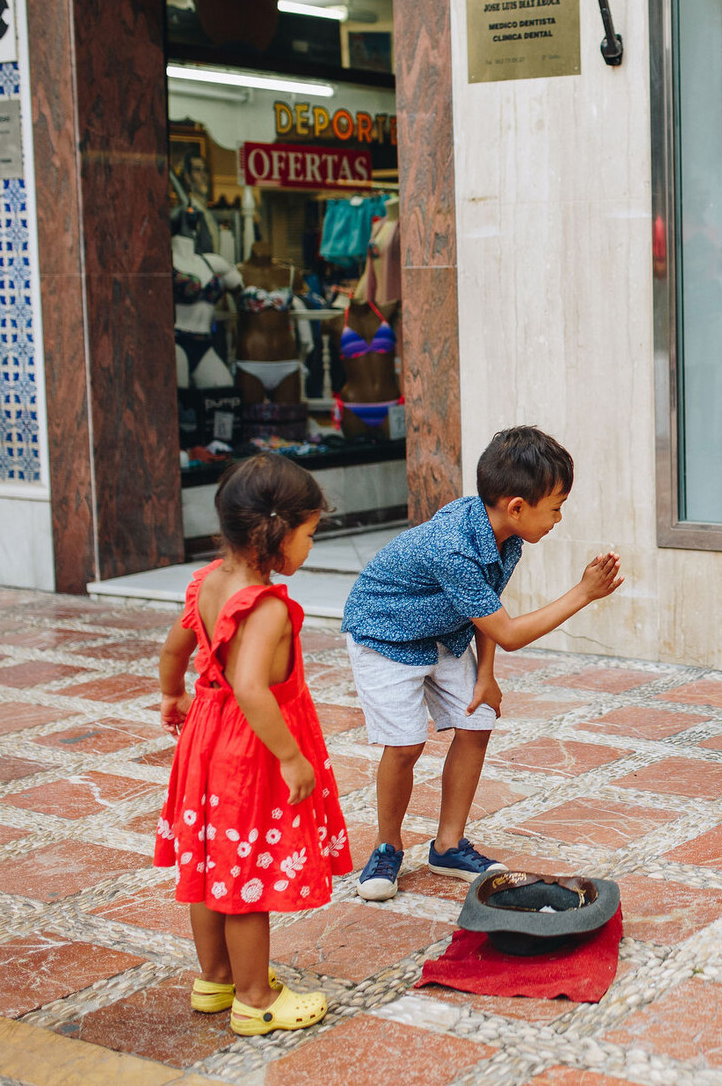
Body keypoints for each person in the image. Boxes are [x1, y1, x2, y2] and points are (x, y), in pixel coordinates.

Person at [342, 426, 625, 901]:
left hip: (443, 631)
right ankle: (387, 847)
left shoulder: (505, 539)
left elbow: (490, 610)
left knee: (477, 720)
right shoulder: (453, 546)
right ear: (517, 506)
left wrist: (486, 676)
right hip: (385, 634)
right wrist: (583, 593)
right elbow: (510, 633)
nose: (558, 518)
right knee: (406, 744)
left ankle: (448, 845)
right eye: (555, 507)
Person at [153, 454, 351, 1037]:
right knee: (246, 876)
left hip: (206, 739)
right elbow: (250, 687)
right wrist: (292, 756)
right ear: (275, 534)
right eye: (310, 534)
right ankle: (256, 998)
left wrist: (173, 696)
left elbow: (174, 650)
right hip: (251, 751)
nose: (311, 546)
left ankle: (213, 979)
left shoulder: (207, 582)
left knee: (212, 861)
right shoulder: (266, 606)